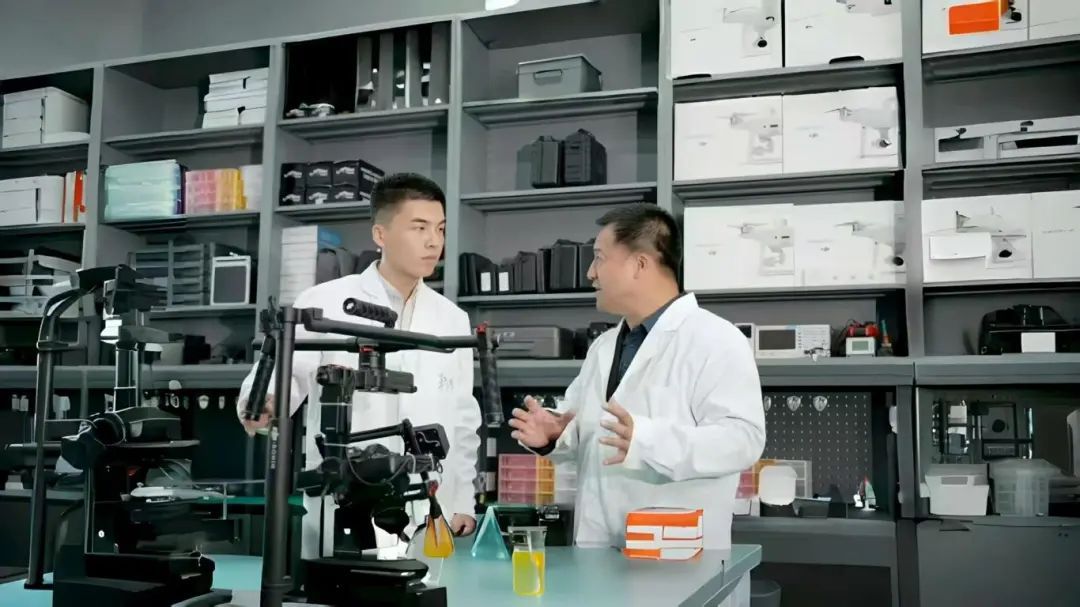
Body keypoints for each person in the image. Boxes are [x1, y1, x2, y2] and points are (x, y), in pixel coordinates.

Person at [508, 204, 765, 606]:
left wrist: (647, 440)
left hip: (676, 560)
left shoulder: (716, 339)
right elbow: (589, 434)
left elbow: (743, 440)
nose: (590, 273)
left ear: (639, 265)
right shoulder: (604, 347)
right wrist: (555, 435)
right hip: (598, 556)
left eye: (599, 258)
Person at [237, 173, 481, 559]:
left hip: (429, 507)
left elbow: (464, 419)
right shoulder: (326, 303)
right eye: (419, 228)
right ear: (380, 235)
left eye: (440, 229)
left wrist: (464, 498)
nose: (434, 241)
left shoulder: (452, 320)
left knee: (425, 588)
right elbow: (281, 378)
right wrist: (263, 404)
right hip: (346, 501)